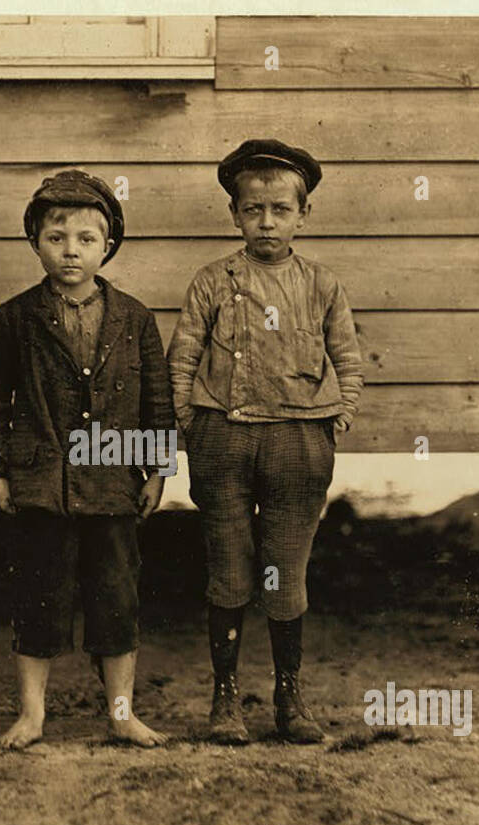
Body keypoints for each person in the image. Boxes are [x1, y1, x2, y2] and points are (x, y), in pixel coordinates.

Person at [167, 139, 364, 744]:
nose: (267, 222)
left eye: (281, 209)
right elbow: (183, 356)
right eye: (254, 210)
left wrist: (340, 414)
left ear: (303, 216)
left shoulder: (321, 284)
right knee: (229, 573)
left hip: (299, 444)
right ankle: (225, 701)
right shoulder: (212, 281)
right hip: (224, 438)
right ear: (235, 216)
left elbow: (348, 358)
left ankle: (289, 698)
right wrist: (189, 421)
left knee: (286, 573)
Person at [0, 170, 175, 749]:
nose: (70, 251)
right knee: (40, 597)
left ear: (107, 245)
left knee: (117, 598)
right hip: (43, 481)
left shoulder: (134, 317)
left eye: (86, 239)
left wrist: (158, 469)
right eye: (56, 237)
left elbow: (156, 398)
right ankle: (33, 716)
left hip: (113, 477)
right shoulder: (17, 317)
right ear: (35, 242)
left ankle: (120, 714)